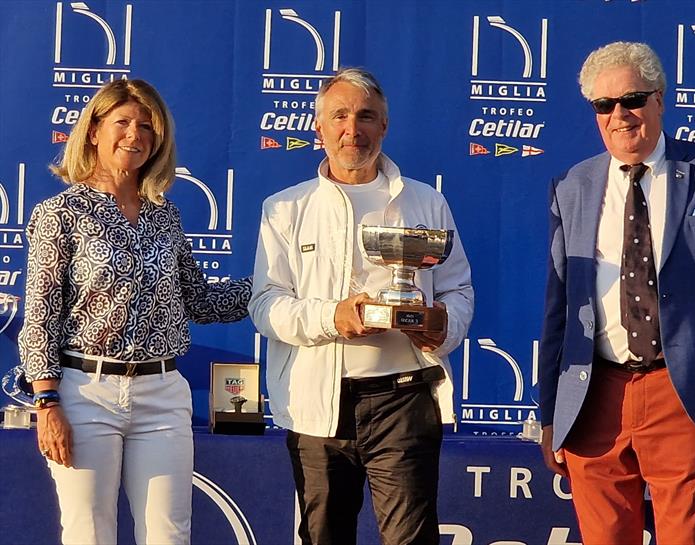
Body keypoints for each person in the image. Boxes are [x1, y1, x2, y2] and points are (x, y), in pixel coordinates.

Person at [539, 42, 695, 545]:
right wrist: (548, 414)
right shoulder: (571, 186)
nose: (620, 115)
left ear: (659, 100)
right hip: (592, 396)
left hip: (685, 394)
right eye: (604, 105)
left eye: (633, 100)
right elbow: (558, 309)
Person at [18, 79, 252, 545]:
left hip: (162, 395)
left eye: (147, 126)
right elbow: (41, 315)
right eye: (122, 122)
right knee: (89, 535)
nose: (135, 134)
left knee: (170, 535)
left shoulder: (165, 216)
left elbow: (200, 301)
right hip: (86, 394)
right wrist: (47, 403)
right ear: (93, 132)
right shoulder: (59, 213)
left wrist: (275, 286)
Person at [249, 67, 474, 545]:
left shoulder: (427, 202)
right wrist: (334, 317)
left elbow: (459, 290)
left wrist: (441, 324)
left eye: (366, 116)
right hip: (318, 406)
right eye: (341, 116)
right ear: (320, 128)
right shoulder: (284, 208)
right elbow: (266, 305)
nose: (354, 129)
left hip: (405, 400)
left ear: (384, 126)